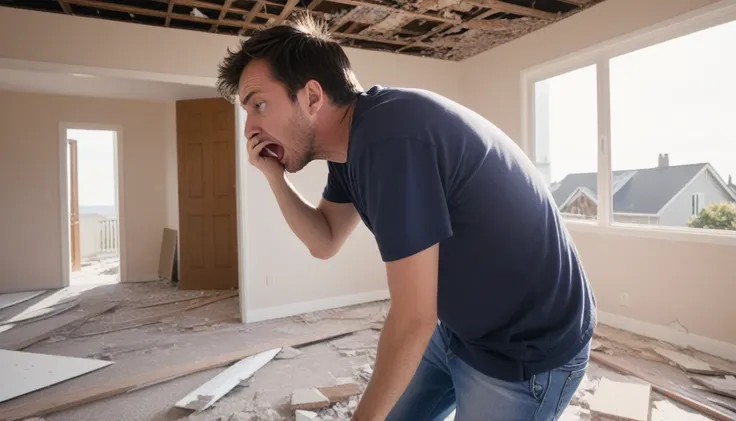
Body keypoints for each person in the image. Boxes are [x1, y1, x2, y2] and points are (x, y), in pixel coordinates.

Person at [216, 13, 596, 421]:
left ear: (311, 97)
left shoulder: (392, 139)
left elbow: (414, 317)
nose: (249, 128)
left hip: (525, 350)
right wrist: (274, 176)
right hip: (457, 328)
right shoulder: (351, 149)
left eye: (258, 105)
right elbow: (324, 240)